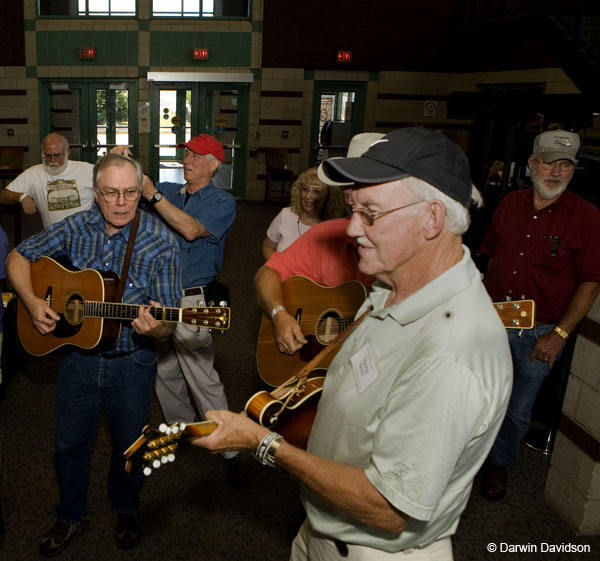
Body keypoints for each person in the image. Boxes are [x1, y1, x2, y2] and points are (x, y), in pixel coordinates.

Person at [193, 128, 513, 560]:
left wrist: (262, 443)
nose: (353, 228)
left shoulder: (451, 352)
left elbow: (387, 507)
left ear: (432, 219)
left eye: (371, 214)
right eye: (352, 209)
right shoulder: (390, 288)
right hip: (323, 527)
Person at [6, 153, 182, 556]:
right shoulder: (75, 227)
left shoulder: (162, 243)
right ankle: (71, 514)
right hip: (78, 360)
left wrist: (160, 326)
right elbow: (18, 256)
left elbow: (171, 317)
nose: (121, 202)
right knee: (68, 445)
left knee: (129, 445)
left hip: (132, 362)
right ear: (96, 193)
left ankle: (125, 506)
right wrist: (33, 302)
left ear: (141, 192)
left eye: (131, 192)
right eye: (110, 193)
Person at [479, 129, 600, 501]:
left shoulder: (587, 216)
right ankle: (466, 458)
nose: (557, 172)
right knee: (478, 395)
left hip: (539, 332)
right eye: (550, 163)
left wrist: (559, 336)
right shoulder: (509, 203)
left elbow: (591, 282)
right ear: (532, 163)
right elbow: (489, 258)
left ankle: (499, 465)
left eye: (565, 165)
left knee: (518, 409)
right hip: (491, 323)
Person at [113, 135, 241, 483]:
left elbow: (189, 230)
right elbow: (129, 200)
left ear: (214, 164)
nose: (187, 159)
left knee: (202, 375)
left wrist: (152, 194)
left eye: (196, 155)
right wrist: (125, 164)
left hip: (190, 300)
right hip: (157, 298)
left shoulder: (221, 202)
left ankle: (230, 450)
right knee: (165, 371)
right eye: (185, 152)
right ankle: (186, 432)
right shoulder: (170, 189)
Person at [255, 132, 382, 357]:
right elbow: (267, 272)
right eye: (348, 185)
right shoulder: (326, 233)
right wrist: (279, 314)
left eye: (362, 186)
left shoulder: (418, 259)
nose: (348, 194)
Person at [0, 133, 95, 228]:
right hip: (53, 237)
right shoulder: (34, 173)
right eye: (48, 156)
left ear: (67, 151)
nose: (53, 160)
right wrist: (21, 197)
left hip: (84, 235)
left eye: (57, 155)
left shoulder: (87, 170)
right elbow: (3, 196)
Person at [262, 167, 346, 259]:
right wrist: (277, 268)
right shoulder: (285, 215)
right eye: (305, 189)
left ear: (329, 195)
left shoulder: (335, 226)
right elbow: (268, 246)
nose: (308, 196)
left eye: (316, 191)